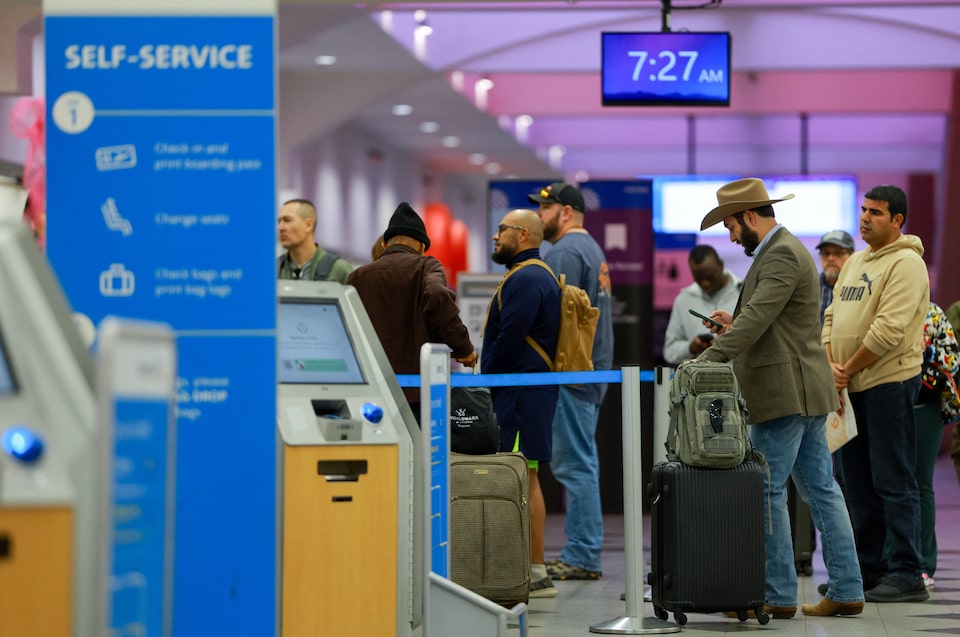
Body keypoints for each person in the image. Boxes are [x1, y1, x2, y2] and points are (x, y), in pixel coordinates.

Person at [696, 177, 864, 619]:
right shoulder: (781, 251)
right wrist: (733, 325)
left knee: (768, 490)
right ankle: (846, 588)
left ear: (750, 216)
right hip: (802, 390)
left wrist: (708, 359)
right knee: (820, 490)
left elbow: (759, 319)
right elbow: (768, 322)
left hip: (786, 393)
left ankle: (778, 595)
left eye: (731, 226)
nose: (731, 236)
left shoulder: (782, 253)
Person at [822, 184, 930, 603]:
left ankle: (906, 572)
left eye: (877, 213)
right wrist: (832, 365)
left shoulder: (906, 264)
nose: (865, 218)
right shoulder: (854, 263)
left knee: (893, 480)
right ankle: (869, 569)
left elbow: (888, 330)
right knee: (857, 483)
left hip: (888, 383)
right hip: (849, 387)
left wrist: (845, 370)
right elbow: (831, 315)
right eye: (864, 210)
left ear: (898, 220)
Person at [527, 182, 613, 581]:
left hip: (571, 372)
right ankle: (584, 550)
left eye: (545, 210)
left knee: (575, 465)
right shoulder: (591, 249)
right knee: (581, 462)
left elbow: (550, 317)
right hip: (590, 370)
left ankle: (581, 554)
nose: (539, 217)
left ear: (565, 212)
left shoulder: (563, 251)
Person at [482, 208, 561, 599]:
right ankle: (532, 566)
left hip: (520, 396)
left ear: (524, 234)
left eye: (502, 230)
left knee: (523, 478)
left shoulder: (528, 278)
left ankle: (534, 570)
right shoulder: (529, 275)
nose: (496, 236)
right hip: (526, 393)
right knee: (524, 478)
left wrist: (487, 377)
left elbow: (509, 338)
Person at [347, 202, 477, 419]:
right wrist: (463, 348)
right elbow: (437, 295)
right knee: (419, 451)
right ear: (421, 247)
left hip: (373, 388)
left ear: (386, 243)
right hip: (418, 392)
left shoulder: (358, 276)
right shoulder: (427, 266)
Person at [910, 302, 960, 591]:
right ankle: (891, 561)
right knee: (889, 484)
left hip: (924, 404)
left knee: (921, 483)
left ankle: (925, 564)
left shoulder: (933, 313)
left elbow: (953, 359)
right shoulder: (884, 304)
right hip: (887, 403)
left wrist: (927, 352)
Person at [662, 244, 741, 365]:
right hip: (699, 381)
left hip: (739, 381)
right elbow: (669, 352)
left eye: (710, 277)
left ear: (721, 265)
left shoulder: (743, 292)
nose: (705, 284)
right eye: (698, 278)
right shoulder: (683, 300)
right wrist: (691, 347)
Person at [277, 198, 352, 282]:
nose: (280, 228)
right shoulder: (273, 270)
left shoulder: (339, 270)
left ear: (308, 225)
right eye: (279, 222)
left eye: (287, 220)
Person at [816, 230, 856, 327]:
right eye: (826, 253)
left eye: (838, 253)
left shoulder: (861, 286)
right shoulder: (810, 285)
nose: (830, 258)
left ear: (852, 256)